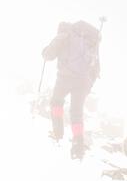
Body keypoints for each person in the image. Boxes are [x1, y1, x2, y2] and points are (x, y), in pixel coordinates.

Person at [42, 20, 101, 159]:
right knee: (76, 112)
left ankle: (57, 133)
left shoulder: (63, 35)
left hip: (65, 77)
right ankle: (78, 146)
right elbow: (96, 67)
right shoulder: (89, 42)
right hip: (83, 81)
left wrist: (45, 51)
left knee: (56, 102)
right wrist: (88, 83)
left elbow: (48, 55)